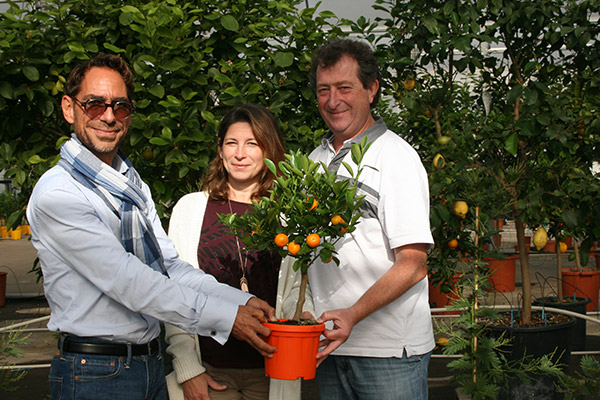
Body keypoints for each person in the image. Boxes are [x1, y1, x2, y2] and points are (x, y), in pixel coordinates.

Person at [26, 54, 277, 400]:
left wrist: (242, 300)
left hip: (147, 366)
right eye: (95, 105)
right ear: (69, 109)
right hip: (94, 372)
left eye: (120, 106)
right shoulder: (60, 194)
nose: (109, 116)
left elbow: (168, 267)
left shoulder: (131, 183)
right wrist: (227, 316)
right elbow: (130, 281)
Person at [307, 37, 435, 399]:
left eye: (345, 88)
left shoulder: (396, 158)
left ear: (372, 89)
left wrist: (353, 313)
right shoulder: (314, 162)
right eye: (324, 90)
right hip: (331, 346)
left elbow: (413, 264)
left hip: (388, 353)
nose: (333, 101)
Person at [165, 104, 312, 400]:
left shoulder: (289, 215)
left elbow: (301, 289)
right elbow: (173, 293)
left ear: (269, 150)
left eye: (252, 144)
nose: (240, 153)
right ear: (220, 150)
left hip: (273, 373)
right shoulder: (190, 209)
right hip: (209, 372)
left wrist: (308, 317)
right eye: (232, 143)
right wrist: (188, 368)